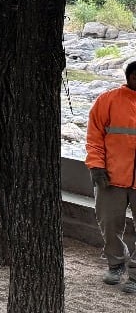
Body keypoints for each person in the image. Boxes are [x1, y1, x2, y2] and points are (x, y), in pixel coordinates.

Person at [86, 59, 136, 291]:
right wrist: (96, 166)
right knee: (108, 224)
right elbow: (94, 138)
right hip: (111, 178)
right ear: (131, 77)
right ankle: (116, 263)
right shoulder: (107, 101)